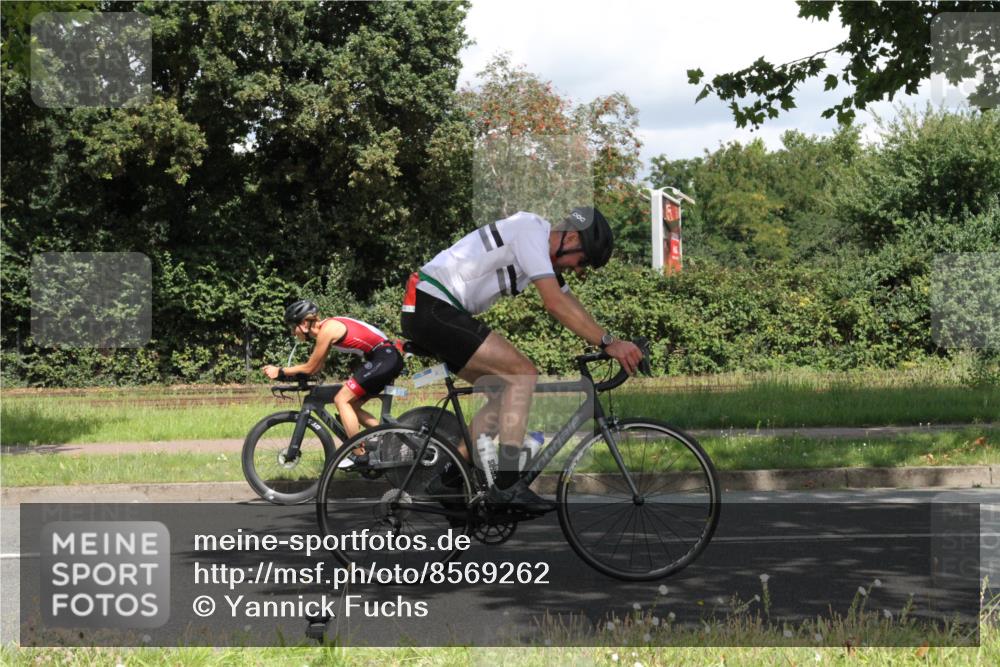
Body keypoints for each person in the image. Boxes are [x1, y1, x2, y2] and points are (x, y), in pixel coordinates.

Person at [401, 206, 643, 512]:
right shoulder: (531, 231)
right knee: (523, 374)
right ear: (569, 237)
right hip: (432, 304)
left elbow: (568, 300)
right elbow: (554, 303)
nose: (579, 270)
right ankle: (507, 485)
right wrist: (608, 343)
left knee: (505, 392)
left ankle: (448, 481)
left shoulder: (540, 250)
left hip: (433, 310)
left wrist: (614, 339)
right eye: (582, 261)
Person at [263, 300, 404, 463]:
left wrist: (280, 371)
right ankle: (393, 437)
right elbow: (316, 367)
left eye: (293, 327)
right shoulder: (327, 328)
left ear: (303, 324)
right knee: (353, 407)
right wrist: (294, 374)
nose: (293, 333)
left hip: (383, 357)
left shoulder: (327, 330)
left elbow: (310, 367)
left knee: (341, 399)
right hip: (384, 357)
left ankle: (360, 454)